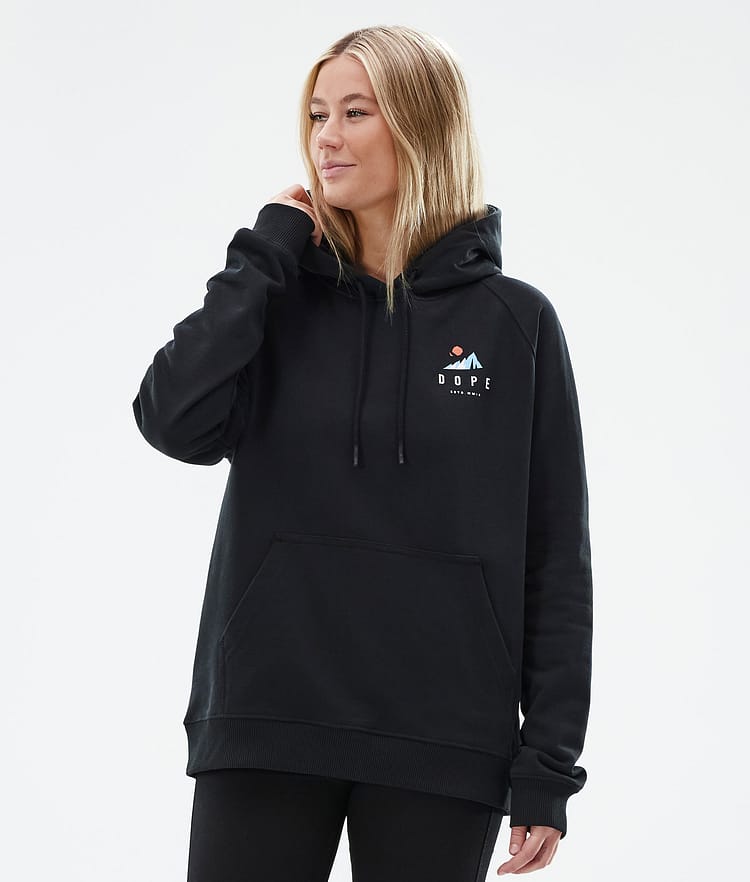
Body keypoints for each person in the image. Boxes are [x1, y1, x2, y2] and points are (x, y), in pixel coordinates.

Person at [132, 24, 594, 881]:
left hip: (444, 736)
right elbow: (170, 419)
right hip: (269, 714)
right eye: (317, 115)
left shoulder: (516, 322)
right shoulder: (273, 298)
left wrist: (549, 765)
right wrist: (262, 255)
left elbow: (555, 557)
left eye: (355, 112)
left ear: (420, 127)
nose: (327, 138)